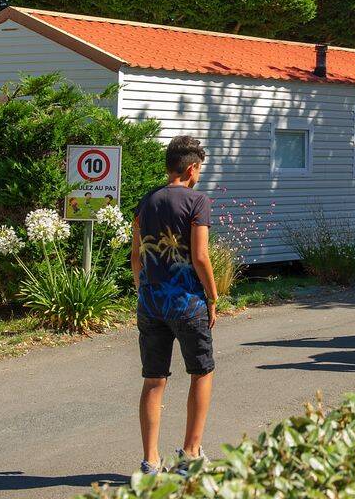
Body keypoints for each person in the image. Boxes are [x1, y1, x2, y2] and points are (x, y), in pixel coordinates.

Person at [130, 135, 219, 476]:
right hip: (187, 302)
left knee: (154, 380)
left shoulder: (146, 201)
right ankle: (190, 454)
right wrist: (212, 297)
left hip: (150, 303)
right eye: (199, 170)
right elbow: (200, 256)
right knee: (201, 372)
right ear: (192, 168)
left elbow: (136, 257)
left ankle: (150, 461)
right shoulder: (197, 202)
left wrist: (143, 289)